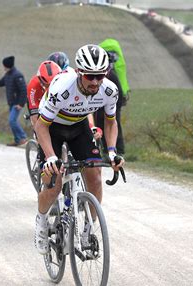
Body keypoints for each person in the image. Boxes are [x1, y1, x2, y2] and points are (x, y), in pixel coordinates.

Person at [34, 44, 125, 254]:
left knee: (95, 175)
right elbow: (41, 125)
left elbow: (111, 122)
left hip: (79, 127)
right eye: (89, 76)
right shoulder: (61, 88)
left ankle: (88, 229)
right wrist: (50, 157)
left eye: (99, 76)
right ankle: (41, 221)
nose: (95, 82)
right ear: (78, 72)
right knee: (53, 183)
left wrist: (111, 151)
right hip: (52, 127)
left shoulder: (109, 90)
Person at [0, 56, 28, 146]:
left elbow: (24, 90)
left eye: (4, 65)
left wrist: (21, 104)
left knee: (12, 120)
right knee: (12, 121)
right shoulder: (8, 75)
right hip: (11, 103)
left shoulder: (17, 75)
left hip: (17, 103)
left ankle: (23, 137)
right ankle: (17, 140)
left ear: (7, 65)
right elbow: (0, 83)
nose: (3, 67)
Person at [93, 50, 126, 155]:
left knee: (114, 124)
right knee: (98, 125)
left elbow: (118, 92)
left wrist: (116, 107)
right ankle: (103, 151)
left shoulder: (111, 75)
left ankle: (118, 151)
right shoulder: (107, 73)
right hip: (100, 105)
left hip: (112, 104)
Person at [27, 60, 62, 128]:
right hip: (39, 101)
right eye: (47, 85)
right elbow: (34, 114)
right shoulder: (33, 85)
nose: (50, 88)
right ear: (41, 82)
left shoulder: (65, 81)